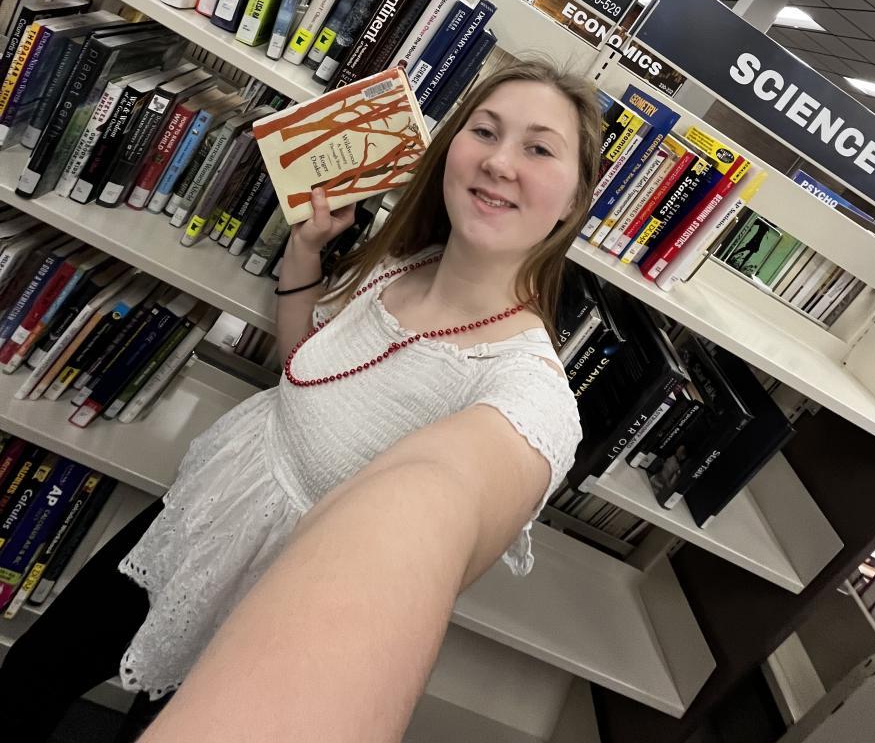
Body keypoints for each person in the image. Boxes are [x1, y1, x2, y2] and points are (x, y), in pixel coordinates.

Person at [0, 59, 601, 740]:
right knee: (33, 672)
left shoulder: (526, 388)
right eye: (485, 131)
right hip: (205, 514)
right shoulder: (404, 262)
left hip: (277, 589)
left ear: (575, 200)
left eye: (539, 149)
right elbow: (302, 377)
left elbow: (464, 493)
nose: (498, 162)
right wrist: (307, 250)